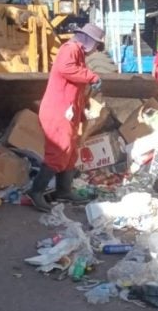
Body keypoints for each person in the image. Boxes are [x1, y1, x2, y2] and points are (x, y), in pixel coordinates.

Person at [28, 24, 104, 212]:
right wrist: (92, 76)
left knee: (69, 153)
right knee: (59, 151)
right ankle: (35, 192)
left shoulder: (77, 52)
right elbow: (66, 69)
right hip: (57, 111)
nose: (96, 50)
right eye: (96, 45)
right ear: (89, 41)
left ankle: (64, 190)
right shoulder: (70, 49)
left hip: (66, 110)